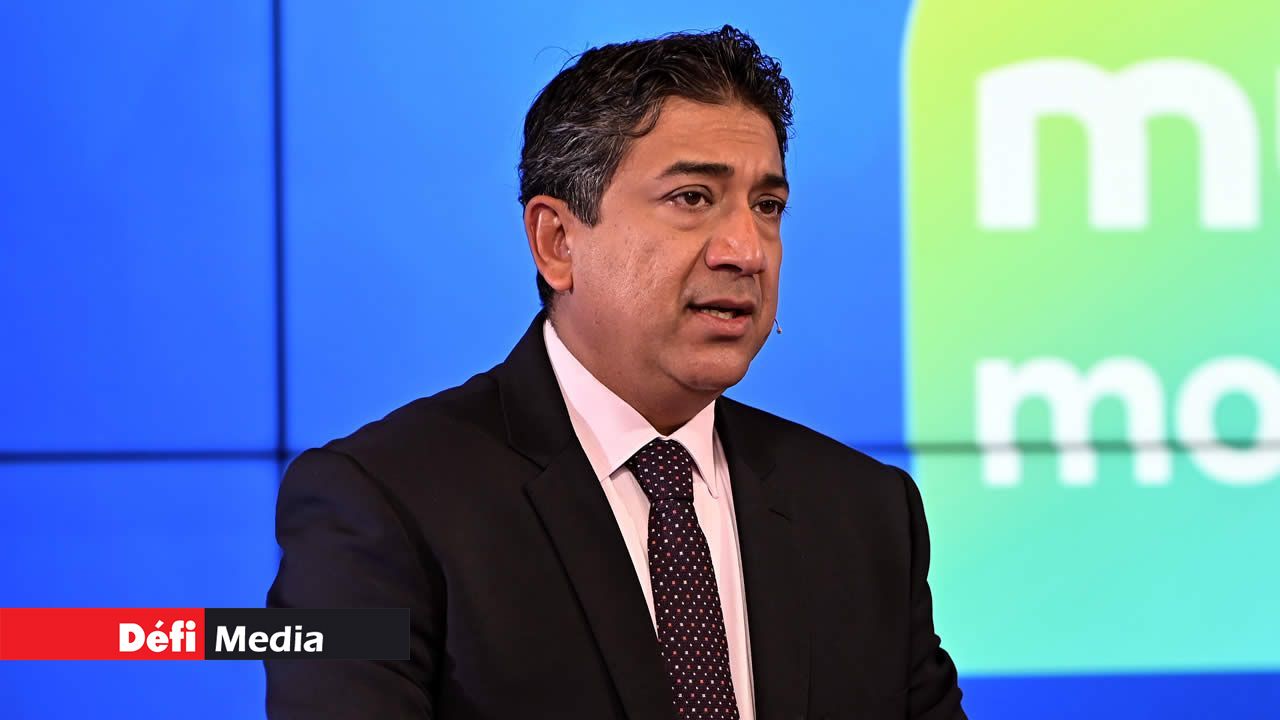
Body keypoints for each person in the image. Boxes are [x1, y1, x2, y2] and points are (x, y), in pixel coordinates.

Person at [266, 24, 965, 720]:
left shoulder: (867, 516)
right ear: (557, 242)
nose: (747, 250)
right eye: (693, 197)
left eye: (767, 207)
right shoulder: (378, 505)